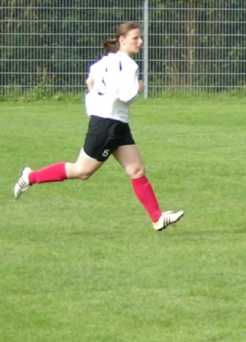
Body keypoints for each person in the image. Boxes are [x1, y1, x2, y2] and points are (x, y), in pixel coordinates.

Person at [13, 21, 184, 232]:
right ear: (122, 40)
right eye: (135, 38)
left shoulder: (106, 61)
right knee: (82, 171)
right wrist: (139, 88)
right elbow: (125, 94)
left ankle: (157, 218)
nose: (140, 42)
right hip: (107, 124)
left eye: (141, 38)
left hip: (116, 124)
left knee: (137, 169)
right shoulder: (129, 65)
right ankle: (30, 176)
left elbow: (90, 82)